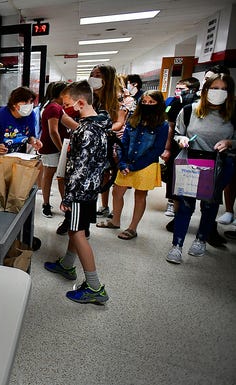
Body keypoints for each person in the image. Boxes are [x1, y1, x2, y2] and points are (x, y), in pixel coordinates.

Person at [44, 80, 110, 304]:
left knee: (78, 234)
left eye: (67, 104)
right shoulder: (100, 125)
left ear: (80, 103)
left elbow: (80, 168)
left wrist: (68, 197)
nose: (65, 109)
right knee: (76, 229)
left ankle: (94, 286)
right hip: (91, 188)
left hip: (80, 192)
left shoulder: (85, 131)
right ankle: (67, 265)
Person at [166, 73, 235, 264]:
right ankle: (177, 245)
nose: (218, 93)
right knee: (185, 205)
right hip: (191, 162)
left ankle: (201, 239)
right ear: (205, 90)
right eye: (214, 88)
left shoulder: (233, 115)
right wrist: (182, 140)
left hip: (218, 165)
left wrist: (230, 142)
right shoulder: (190, 110)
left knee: (209, 204)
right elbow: (178, 133)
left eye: (223, 89)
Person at [96, 90, 168, 240]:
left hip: (146, 164)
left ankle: (132, 228)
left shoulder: (162, 125)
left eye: (151, 102)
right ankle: (115, 221)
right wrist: (122, 162)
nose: (147, 105)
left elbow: (157, 150)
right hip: (126, 162)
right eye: (145, 101)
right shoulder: (133, 120)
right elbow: (124, 142)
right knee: (117, 192)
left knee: (140, 196)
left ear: (158, 104)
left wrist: (134, 166)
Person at [88, 64, 128, 218]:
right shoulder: (89, 96)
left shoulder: (116, 98)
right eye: (92, 74)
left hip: (109, 142)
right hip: (90, 142)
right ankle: (98, 205)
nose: (94, 78)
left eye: (98, 75)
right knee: (95, 176)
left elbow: (119, 122)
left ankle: (107, 206)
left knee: (107, 174)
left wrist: (106, 129)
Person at [161, 77, 201, 218]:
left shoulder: (198, 105)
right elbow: (170, 126)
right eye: (177, 88)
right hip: (176, 143)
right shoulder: (175, 103)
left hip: (195, 146)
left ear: (193, 90)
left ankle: (185, 209)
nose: (178, 91)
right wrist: (167, 148)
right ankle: (171, 202)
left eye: (181, 89)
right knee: (173, 174)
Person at [39, 81, 78, 218]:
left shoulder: (58, 107)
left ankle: (65, 204)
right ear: (62, 94)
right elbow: (53, 132)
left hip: (58, 147)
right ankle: (46, 205)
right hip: (51, 148)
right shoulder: (53, 108)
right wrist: (63, 150)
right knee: (49, 176)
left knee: (61, 177)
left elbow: (71, 124)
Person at [0, 86, 43, 154]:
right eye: (25, 102)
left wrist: (34, 141)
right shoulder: (0, 116)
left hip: (11, 155)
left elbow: (29, 136)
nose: (29, 105)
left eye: (31, 101)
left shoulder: (31, 115)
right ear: (14, 103)